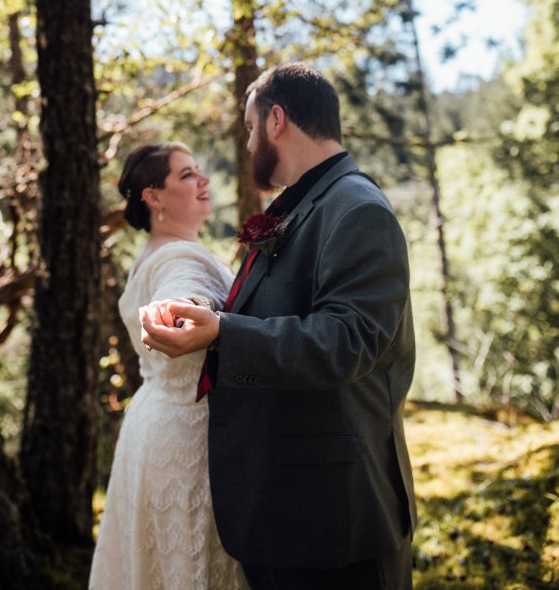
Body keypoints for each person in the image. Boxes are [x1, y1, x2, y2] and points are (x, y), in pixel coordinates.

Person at [140, 64, 417, 590]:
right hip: (286, 507)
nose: (247, 144)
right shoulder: (304, 205)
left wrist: (222, 333)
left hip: (336, 520)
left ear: (276, 120)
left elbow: (349, 340)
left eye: (249, 128)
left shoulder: (356, 209)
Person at [88, 141, 248, 590]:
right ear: (153, 197)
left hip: (153, 426)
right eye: (186, 175)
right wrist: (182, 308)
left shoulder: (162, 253)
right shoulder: (178, 259)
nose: (203, 181)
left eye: (198, 170)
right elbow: (182, 292)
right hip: (185, 439)